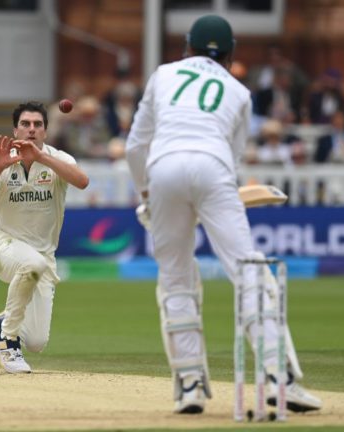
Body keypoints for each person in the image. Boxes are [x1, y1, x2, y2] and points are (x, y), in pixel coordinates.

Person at [125, 15, 322, 415]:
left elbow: (134, 147)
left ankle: (190, 385)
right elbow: (230, 166)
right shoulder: (239, 91)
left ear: (187, 47)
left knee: (175, 278)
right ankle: (277, 378)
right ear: (230, 55)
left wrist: (146, 194)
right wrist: (213, 193)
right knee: (249, 272)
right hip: (215, 168)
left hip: (161, 168)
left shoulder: (163, 74)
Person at [0, 101, 89, 374]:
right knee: (31, 265)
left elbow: (82, 182)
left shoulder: (58, 159)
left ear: (45, 131)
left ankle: (3, 322)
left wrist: (42, 158)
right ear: (15, 130)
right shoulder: (0, 162)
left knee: (36, 341)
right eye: (25, 124)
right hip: (3, 246)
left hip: (44, 257)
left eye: (37, 125)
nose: (31, 130)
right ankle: (6, 339)